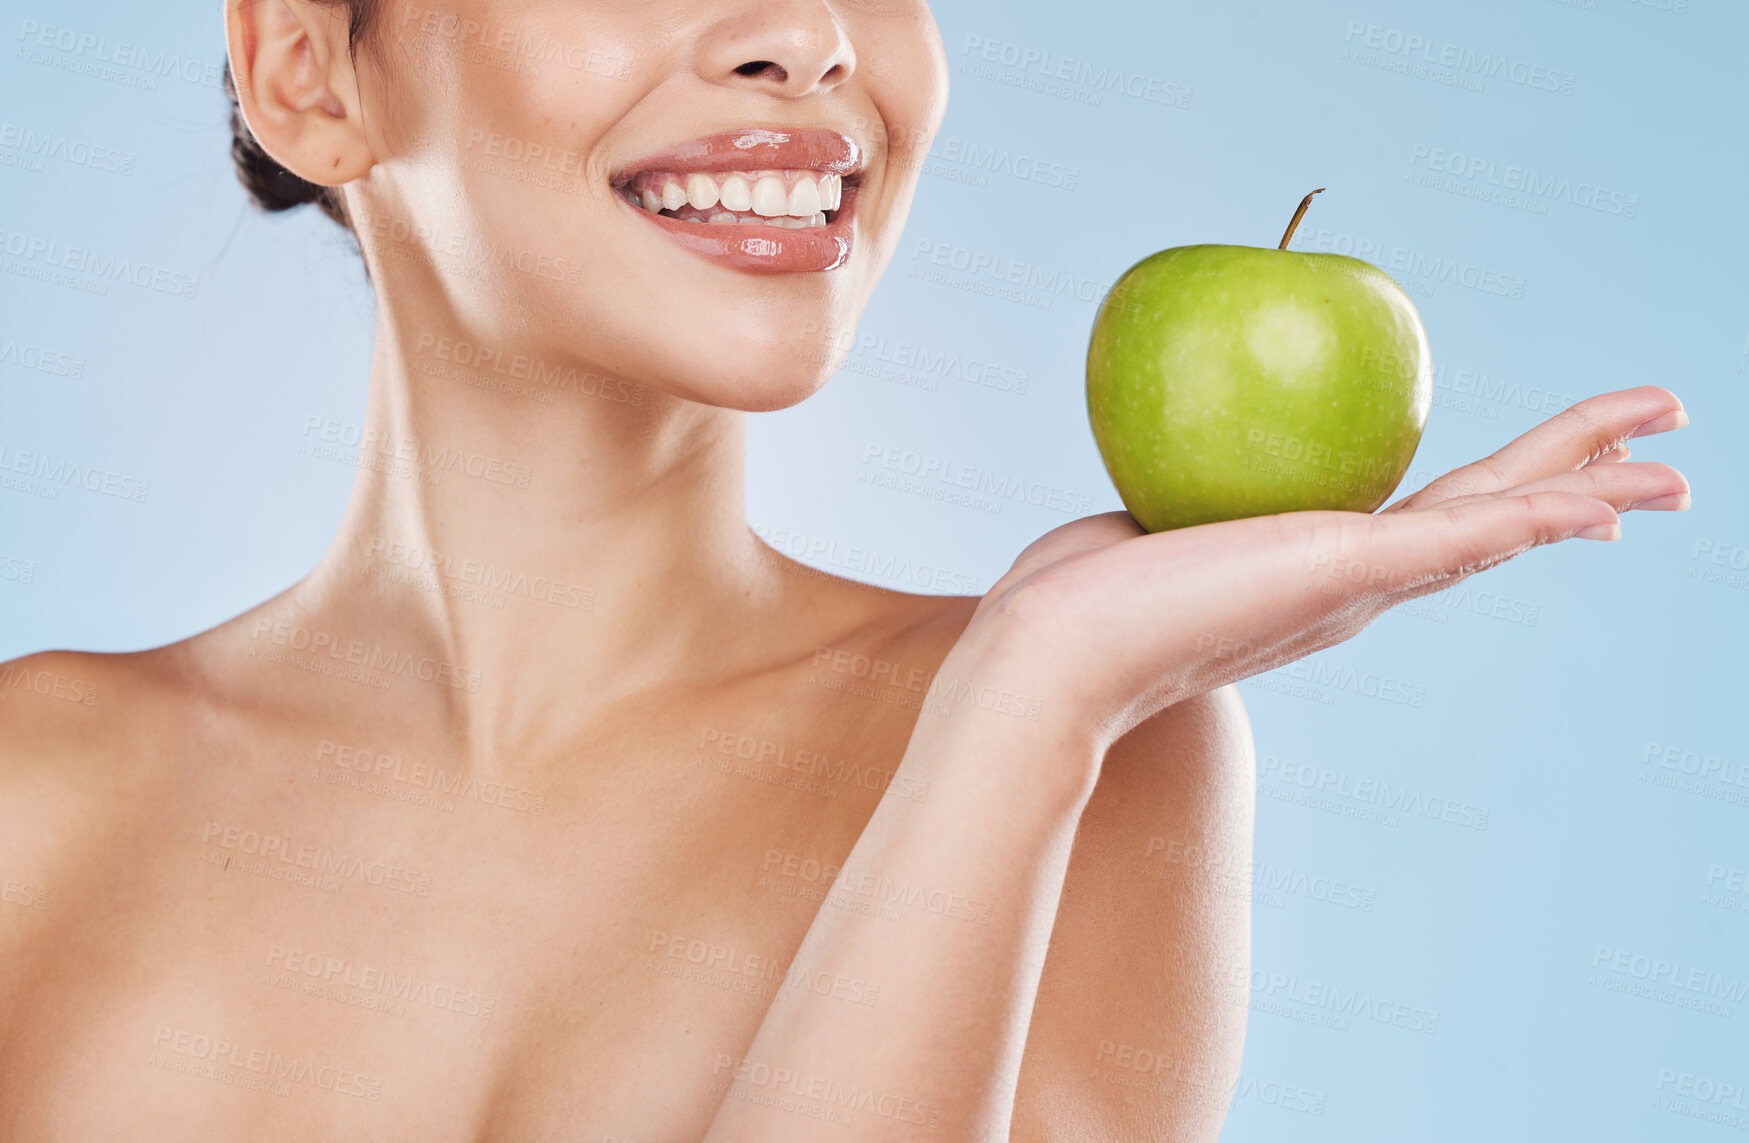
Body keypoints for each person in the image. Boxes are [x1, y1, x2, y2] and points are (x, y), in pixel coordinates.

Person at [0, 1, 1691, 1139]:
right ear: (310, 69)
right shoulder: (31, 794)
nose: (810, 37)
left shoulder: (1090, 756)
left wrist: (1029, 710)